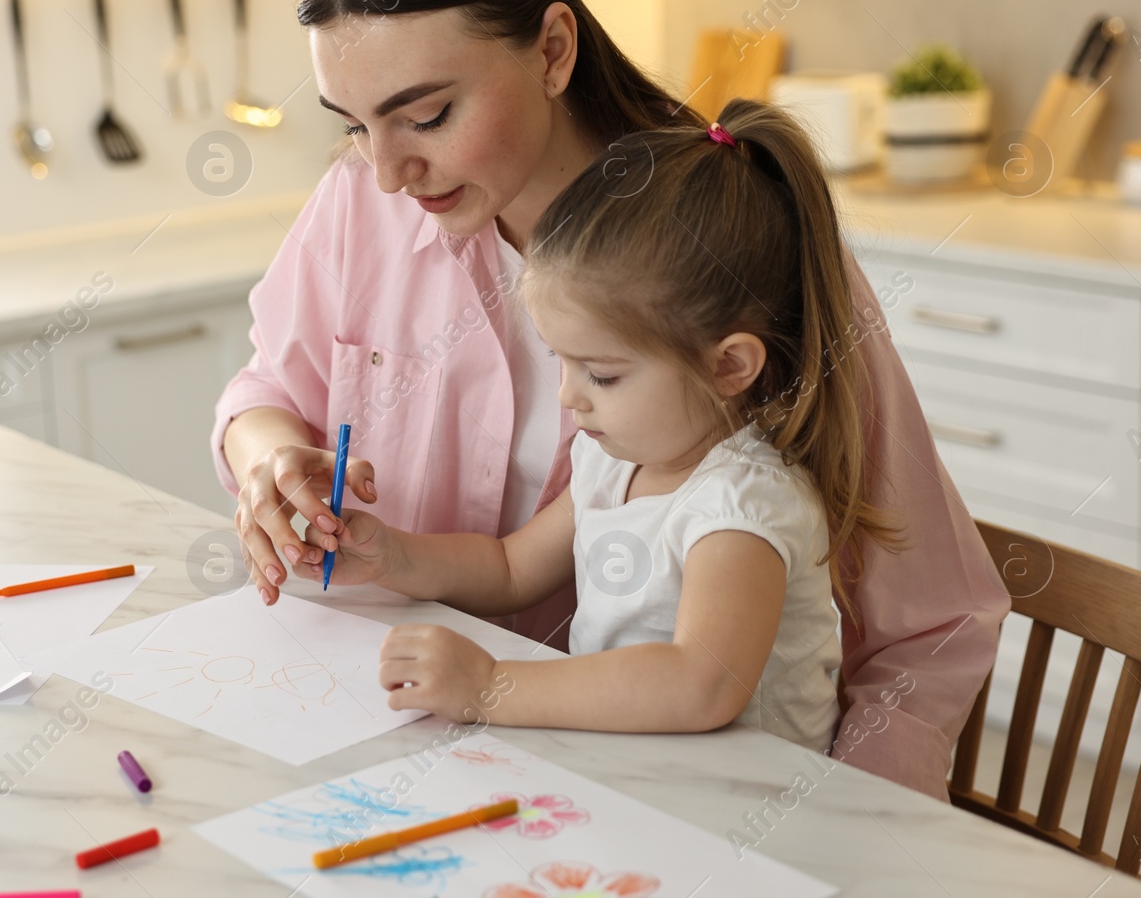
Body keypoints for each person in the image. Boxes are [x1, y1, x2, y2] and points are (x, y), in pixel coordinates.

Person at [211, 0, 1008, 796]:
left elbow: (929, 629)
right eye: (352, 126)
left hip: (667, 803)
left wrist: (848, 832)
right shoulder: (364, 199)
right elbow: (268, 393)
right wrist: (270, 460)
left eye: (426, 114)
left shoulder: (730, 247)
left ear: (553, 49)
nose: (386, 173)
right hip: (418, 747)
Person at [292, 107, 895, 752]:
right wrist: (395, 555)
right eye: (562, 361)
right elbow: (510, 568)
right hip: (638, 784)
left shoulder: (742, 504)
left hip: (747, 818)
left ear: (729, 366)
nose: (568, 397)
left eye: (602, 375)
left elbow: (701, 685)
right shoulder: (612, 460)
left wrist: (491, 684)